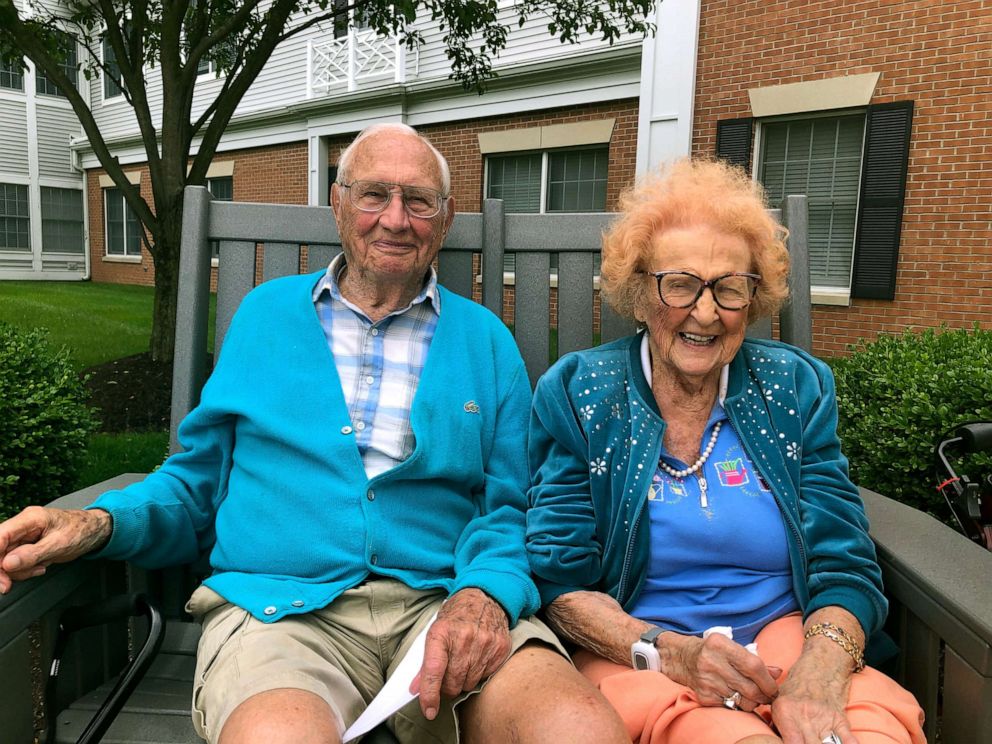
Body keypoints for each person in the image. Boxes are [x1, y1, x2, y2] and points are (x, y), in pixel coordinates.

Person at [0, 123, 629, 744]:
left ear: (445, 218)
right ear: (338, 202)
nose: (395, 218)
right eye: (373, 195)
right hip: (279, 613)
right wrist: (96, 523)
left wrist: (486, 596)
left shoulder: (486, 341)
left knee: (579, 728)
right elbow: (195, 484)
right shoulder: (264, 317)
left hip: (445, 605)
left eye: (417, 201)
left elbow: (511, 506)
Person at [525, 159, 926, 744]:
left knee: (865, 734)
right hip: (647, 652)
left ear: (753, 299)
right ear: (640, 293)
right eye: (680, 284)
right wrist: (675, 654)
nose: (706, 312)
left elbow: (842, 560)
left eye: (729, 288)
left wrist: (819, 673)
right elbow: (559, 582)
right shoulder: (580, 392)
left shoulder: (794, 387)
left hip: (792, 636)